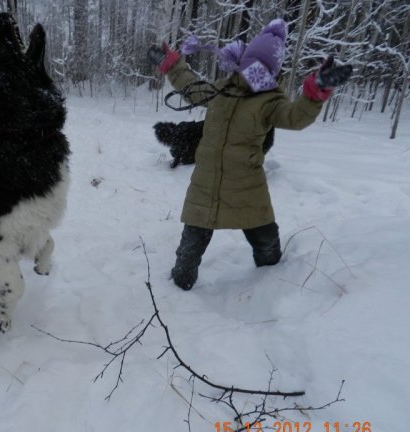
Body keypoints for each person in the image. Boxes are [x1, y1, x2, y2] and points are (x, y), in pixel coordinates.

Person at [147, 19, 352, 290]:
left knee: (266, 242)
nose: (255, 73)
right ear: (243, 61)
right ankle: (177, 292)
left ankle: (272, 286)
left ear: (273, 72)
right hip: (206, 186)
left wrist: (315, 92)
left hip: (247, 188)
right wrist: (173, 65)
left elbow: (295, 117)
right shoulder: (222, 91)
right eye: (252, 65)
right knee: (190, 248)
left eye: (264, 69)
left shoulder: (269, 102)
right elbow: (191, 86)